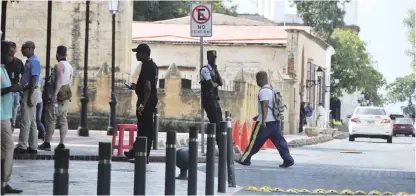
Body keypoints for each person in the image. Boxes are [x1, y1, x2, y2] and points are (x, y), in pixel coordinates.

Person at [236, 71, 294, 168]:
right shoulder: (271, 90)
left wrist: (263, 120)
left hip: (266, 122)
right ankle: (288, 159)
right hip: (275, 121)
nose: (256, 81)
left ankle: (244, 159)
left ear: (260, 79)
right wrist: (258, 116)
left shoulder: (264, 91)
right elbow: (269, 107)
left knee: (254, 141)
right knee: (280, 141)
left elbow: (265, 105)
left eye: (257, 79)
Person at [124, 43, 158, 163]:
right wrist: (135, 86)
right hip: (148, 100)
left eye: (138, 53)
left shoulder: (149, 67)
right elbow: (146, 85)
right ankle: (136, 152)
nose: (136, 55)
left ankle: (143, 156)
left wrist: (143, 104)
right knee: (143, 128)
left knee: (146, 129)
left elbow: (148, 88)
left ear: (143, 54)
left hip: (147, 102)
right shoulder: (149, 65)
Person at [38, 46, 73, 151]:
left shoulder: (59, 66)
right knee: (63, 120)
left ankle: (47, 143)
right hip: (66, 97)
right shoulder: (70, 66)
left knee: (51, 120)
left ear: (58, 53)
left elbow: (59, 81)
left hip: (57, 97)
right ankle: (61, 143)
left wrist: (54, 95)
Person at [1, 40, 23, 194]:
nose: (11, 58)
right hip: (1, 117)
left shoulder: (3, 69)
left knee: (4, 149)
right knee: (9, 147)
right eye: (9, 54)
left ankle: (3, 183)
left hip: (5, 115)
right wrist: (11, 88)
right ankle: (4, 181)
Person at [14, 41, 42, 154]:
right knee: (32, 120)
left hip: (30, 91)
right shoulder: (31, 61)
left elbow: (34, 79)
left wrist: (30, 95)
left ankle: (22, 145)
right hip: (30, 91)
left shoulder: (34, 62)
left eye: (24, 48)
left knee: (25, 119)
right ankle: (33, 145)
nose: (22, 50)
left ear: (30, 49)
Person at [200, 50, 224, 145]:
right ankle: (219, 141)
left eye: (215, 57)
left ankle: (222, 140)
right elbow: (211, 84)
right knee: (215, 122)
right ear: (208, 57)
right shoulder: (205, 69)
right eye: (212, 57)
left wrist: (217, 70)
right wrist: (216, 83)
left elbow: (221, 83)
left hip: (215, 98)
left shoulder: (214, 70)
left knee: (220, 121)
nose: (214, 59)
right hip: (208, 99)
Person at [4, 41, 24, 133]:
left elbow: (24, 75)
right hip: (5, 90)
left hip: (15, 92)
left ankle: (10, 131)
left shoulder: (18, 62)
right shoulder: (4, 62)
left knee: (13, 113)